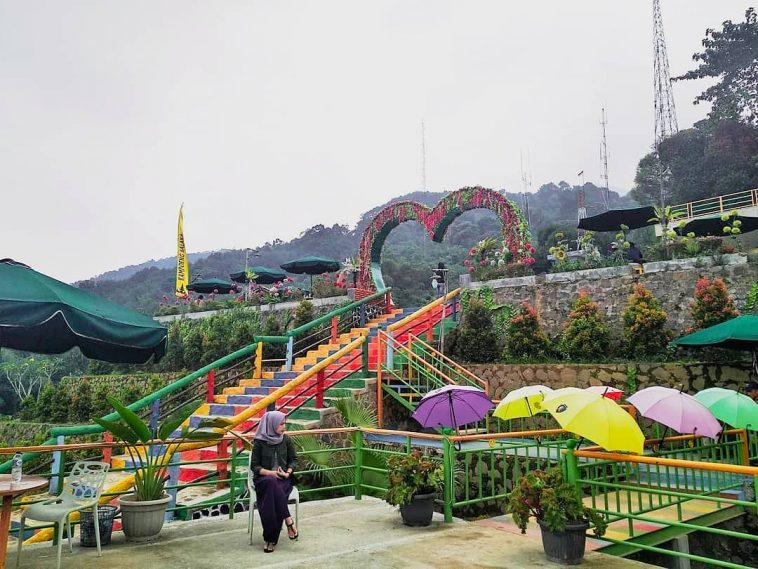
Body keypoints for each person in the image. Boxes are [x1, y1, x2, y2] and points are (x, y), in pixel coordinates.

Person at [250, 411, 298, 553]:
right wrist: (271, 473)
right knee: (271, 483)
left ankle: (270, 539)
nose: (284, 427)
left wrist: (287, 473)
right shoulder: (259, 442)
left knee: (271, 500)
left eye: (285, 423)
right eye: (281, 424)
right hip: (264, 480)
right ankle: (288, 520)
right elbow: (255, 466)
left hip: (283, 479)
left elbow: (293, 460)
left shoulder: (286, 440)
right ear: (271, 424)